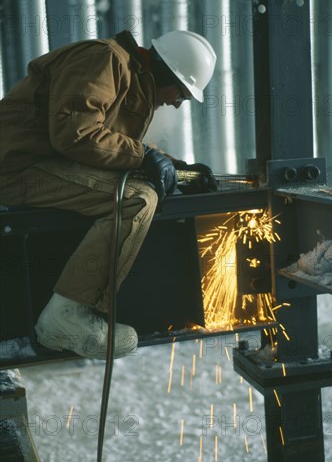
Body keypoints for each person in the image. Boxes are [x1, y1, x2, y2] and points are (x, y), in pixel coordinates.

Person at [0, 30, 217, 360]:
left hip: (44, 165)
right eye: (181, 93)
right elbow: (76, 134)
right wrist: (144, 157)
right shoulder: (105, 60)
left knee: (140, 189)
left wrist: (178, 169)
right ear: (166, 72)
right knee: (135, 198)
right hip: (17, 167)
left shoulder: (128, 80)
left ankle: (69, 311)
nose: (175, 102)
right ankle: (66, 316)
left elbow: (108, 145)